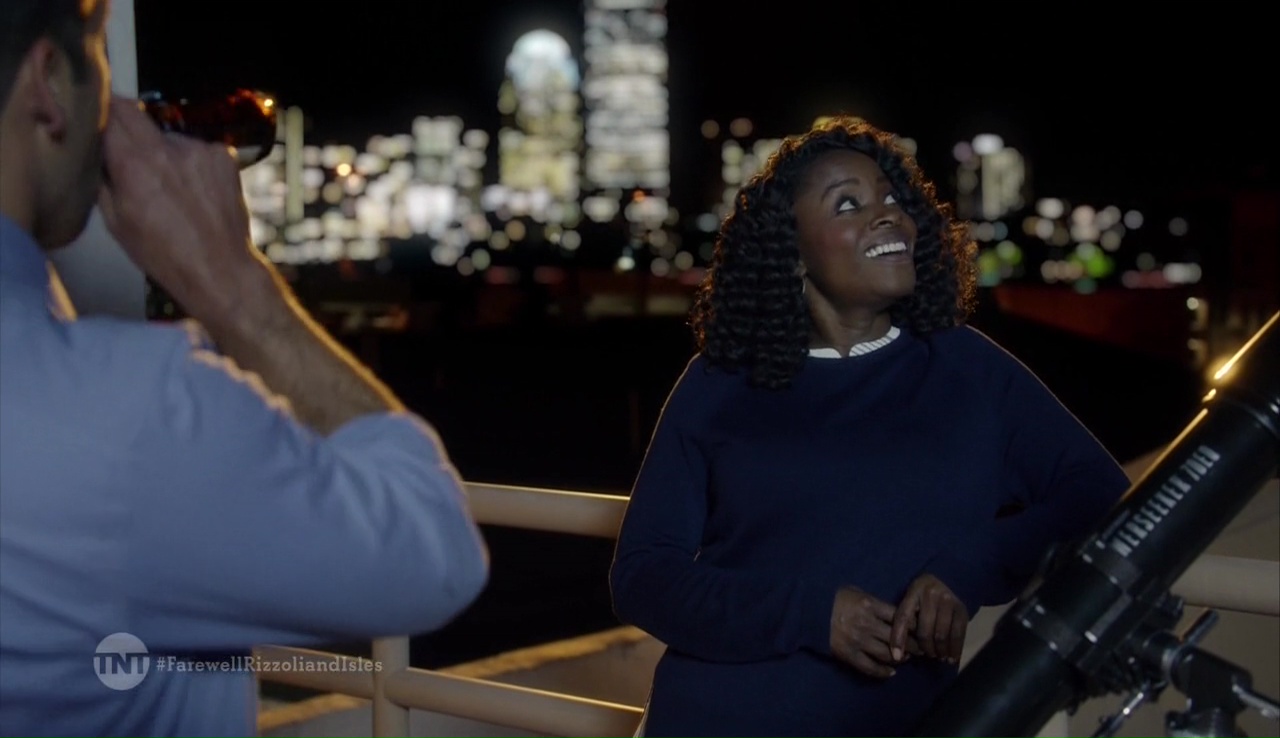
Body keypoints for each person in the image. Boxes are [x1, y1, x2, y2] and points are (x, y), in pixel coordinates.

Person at [0, 2, 489, 737]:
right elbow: (434, 552)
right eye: (99, 59)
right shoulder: (133, 413)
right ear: (47, 82)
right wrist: (232, 285)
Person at [609, 115, 1132, 738]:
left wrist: (970, 569)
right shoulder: (719, 382)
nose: (887, 216)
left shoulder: (965, 368)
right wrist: (813, 615)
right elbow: (643, 577)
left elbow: (1097, 493)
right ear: (792, 252)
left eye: (891, 199)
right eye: (848, 204)